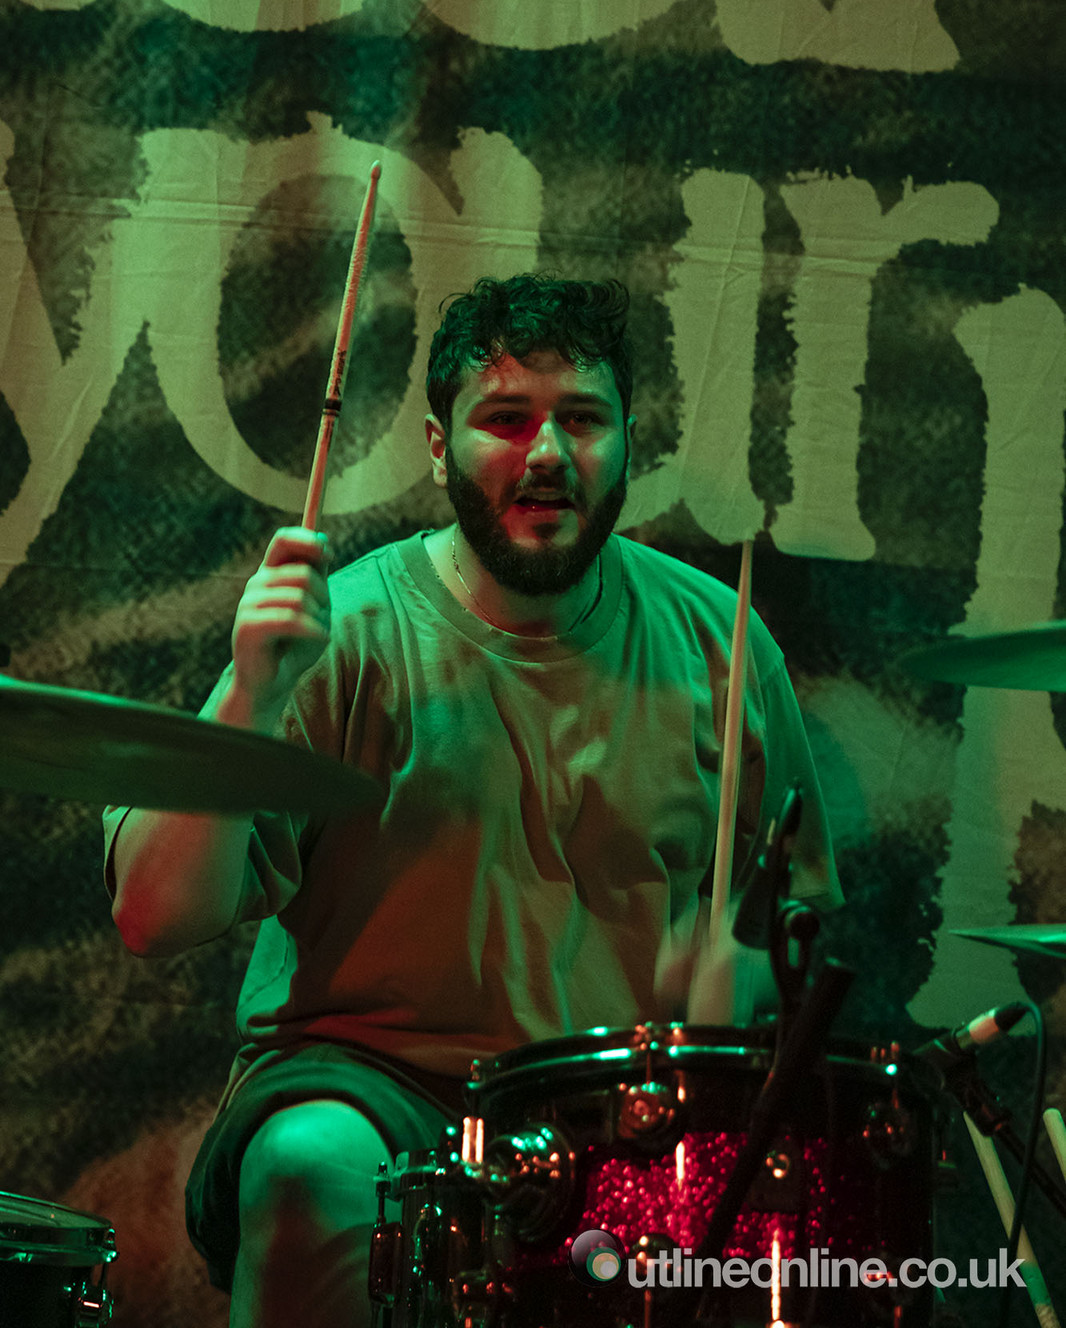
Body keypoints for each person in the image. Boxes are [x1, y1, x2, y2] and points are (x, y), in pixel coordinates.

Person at [104, 273, 840, 1328]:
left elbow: (800, 938)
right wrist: (252, 690)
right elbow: (154, 915)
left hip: (619, 1112)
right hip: (376, 1086)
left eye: (582, 418)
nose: (548, 453)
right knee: (311, 1165)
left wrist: (749, 980)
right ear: (438, 446)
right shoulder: (342, 632)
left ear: (629, 442)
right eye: (506, 419)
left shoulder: (721, 641)